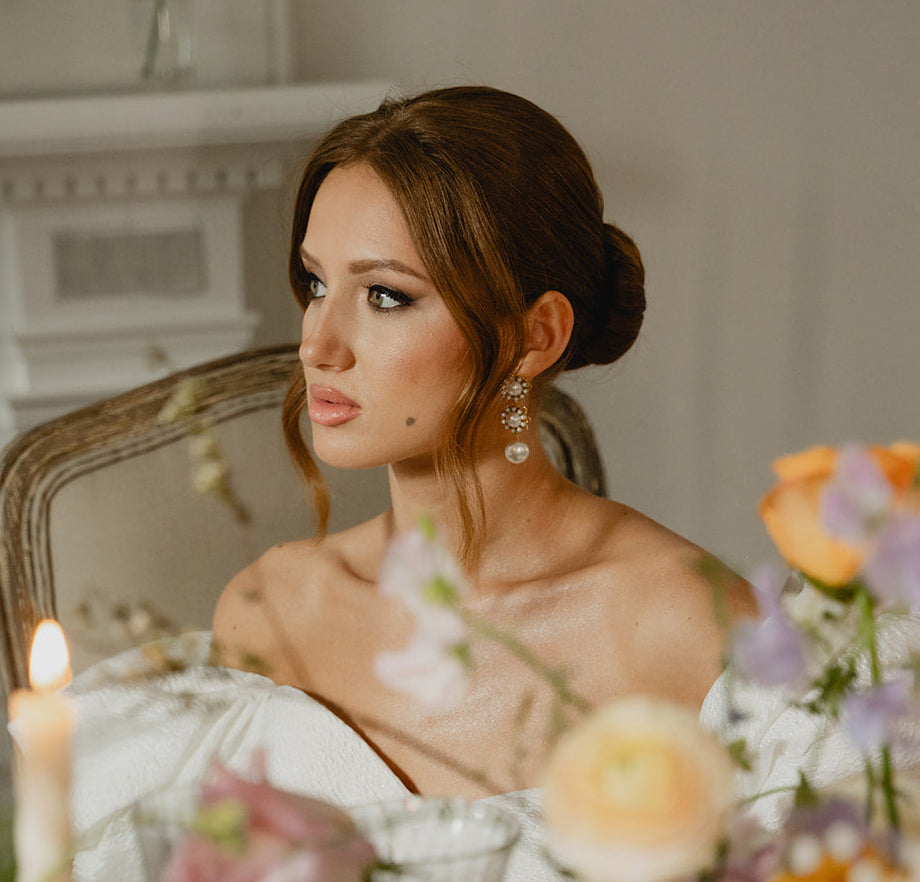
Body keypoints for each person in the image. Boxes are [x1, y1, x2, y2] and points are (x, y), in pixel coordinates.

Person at [210, 84, 753, 800]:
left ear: (536, 336)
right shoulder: (271, 609)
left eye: (384, 295)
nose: (316, 343)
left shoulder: (687, 627)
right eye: (316, 283)